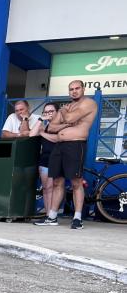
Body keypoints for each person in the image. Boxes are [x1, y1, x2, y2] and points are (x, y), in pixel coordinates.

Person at [35, 80, 98, 229]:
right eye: (71, 89)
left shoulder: (88, 103)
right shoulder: (69, 107)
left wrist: (63, 112)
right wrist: (66, 122)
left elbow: (69, 118)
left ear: (83, 89)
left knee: (76, 182)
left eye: (77, 88)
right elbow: (51, 127)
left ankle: (77, 219)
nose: (74, 91)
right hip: (59, 146)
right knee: (57, 182)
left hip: (75, 145)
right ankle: (52, 216)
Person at [28, 102, 60, 215]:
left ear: (57, 112)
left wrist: (42, 133)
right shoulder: (45, 126)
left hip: (57, 158)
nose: (48, 114)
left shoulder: (61, 125)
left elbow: (58, 139)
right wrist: (40, 119)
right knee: (46, 188)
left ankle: (52, 214)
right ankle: (48, 214)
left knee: (54, 187)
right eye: (46, 112)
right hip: (44, 159)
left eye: (51, 111)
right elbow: (31, 135)